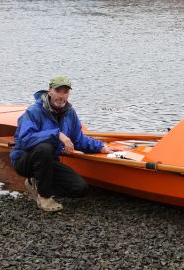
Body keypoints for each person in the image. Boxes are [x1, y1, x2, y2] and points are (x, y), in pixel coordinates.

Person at [10, 76, 117, 212]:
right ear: (49, 91)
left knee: (80, 188)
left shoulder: (69, 113)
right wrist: (57, 134)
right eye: (58, 91)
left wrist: (100, 147)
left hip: (48, 163)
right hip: (24, 161)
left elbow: (78, 139)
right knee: (45, 147)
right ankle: (45, 197)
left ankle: (36, 183)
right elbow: (25, 140)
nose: (61, 96)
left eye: (65, 92)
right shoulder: (33, 111)